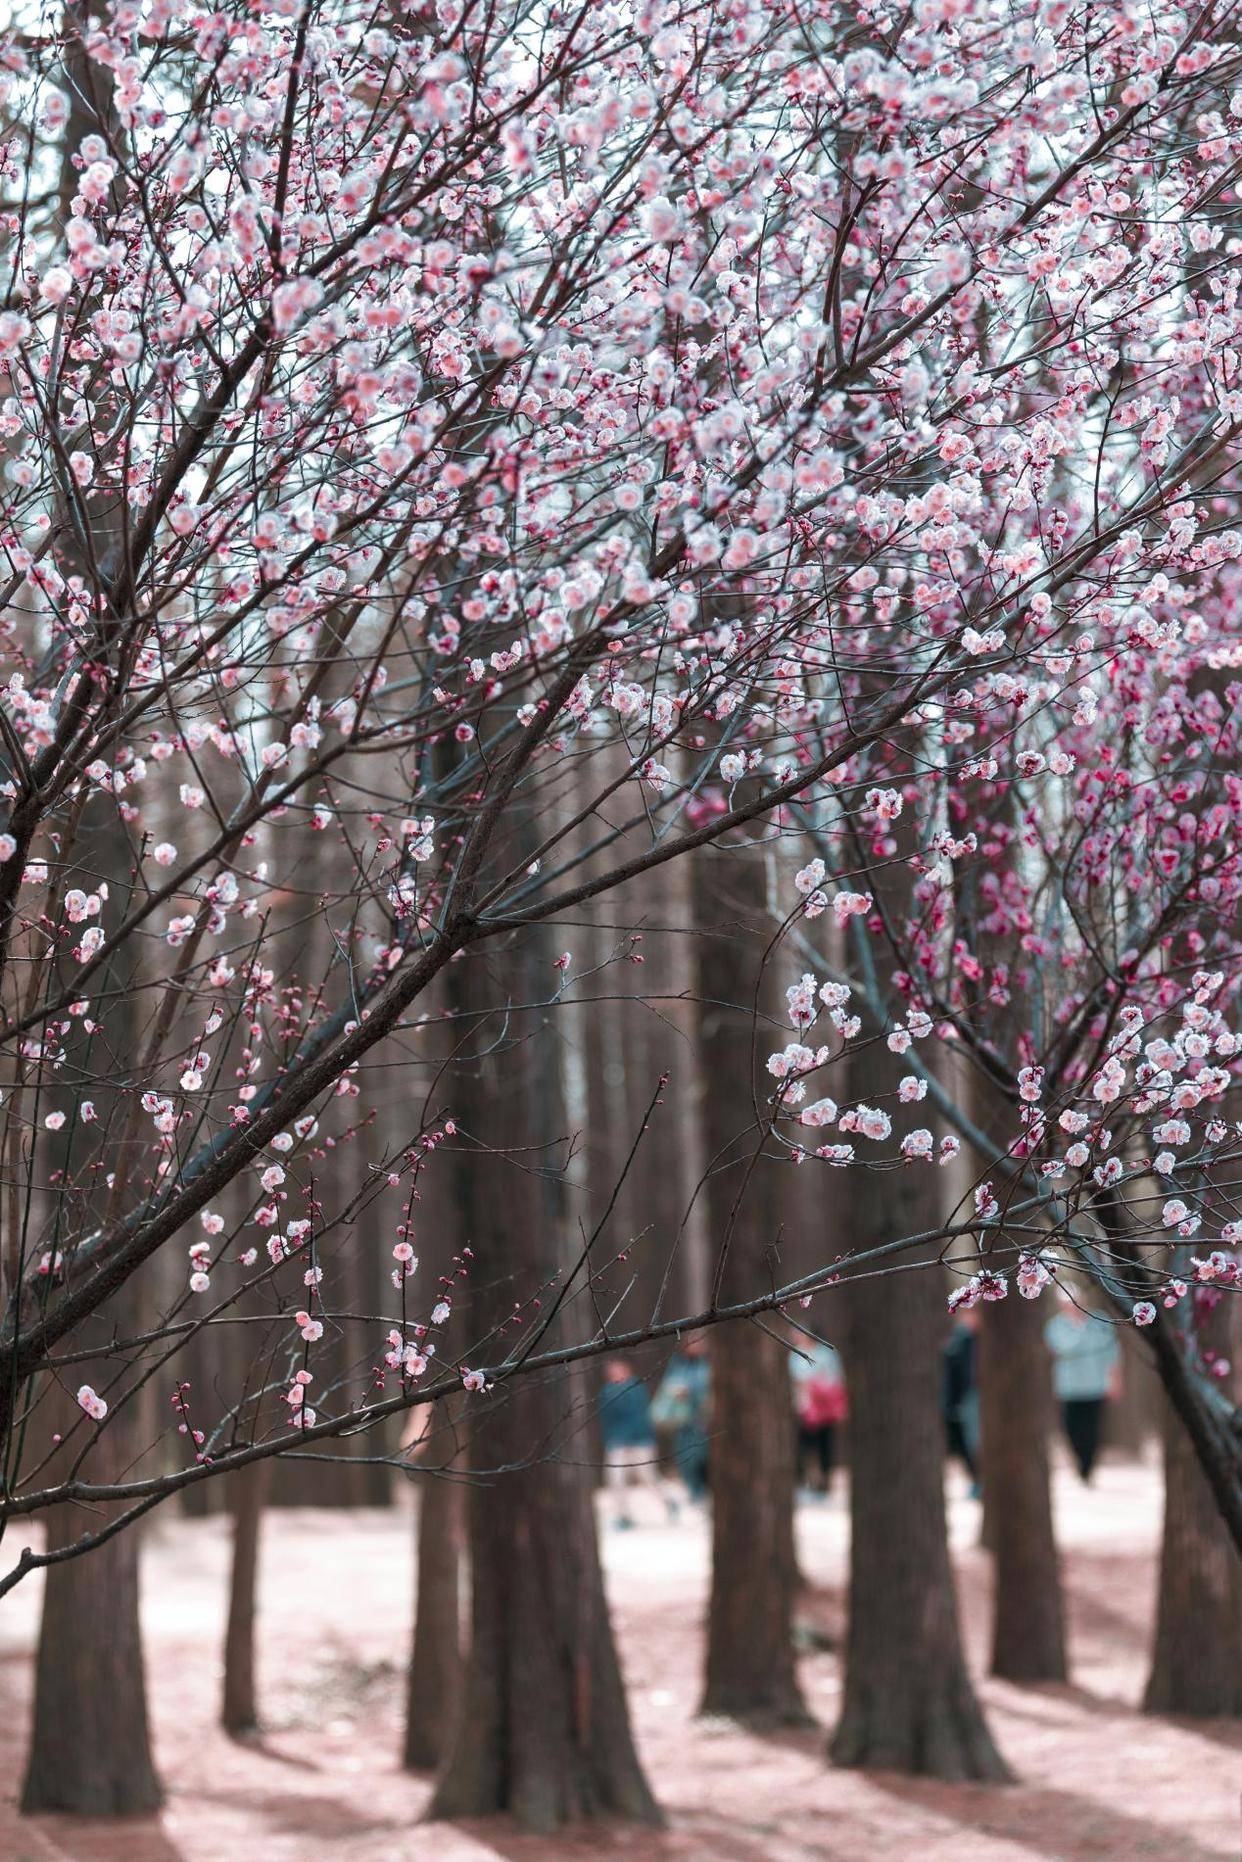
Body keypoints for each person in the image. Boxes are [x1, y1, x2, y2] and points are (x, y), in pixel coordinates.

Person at [1044, 1296, 1121, 1482]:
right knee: (1070, 1428)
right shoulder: (1056, 1326)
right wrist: (1081, 1330)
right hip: (1069, 1388)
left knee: (1092, 1429)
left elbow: (1112, 1352)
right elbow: (1062, 1347)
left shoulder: (1100, 1321)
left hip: (1095, 1385)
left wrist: (1115, 1380)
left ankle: (1088, 1467)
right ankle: (1080, 1461)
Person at [597, 1357, 661, 1528]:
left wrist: (633, 1438)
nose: (615, 1373)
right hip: (617, 1442)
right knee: (615, 1480)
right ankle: (623, 1515)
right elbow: (606, 1420)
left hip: (640, 1441)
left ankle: (668, 1502)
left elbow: (641, 1417)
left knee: (648, 1478)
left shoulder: (637, 1389)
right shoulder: (607, 1392)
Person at [651, 1334, 711, 1503]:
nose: (696, 1348)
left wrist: (693, 1394)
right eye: (693, 1345)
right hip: (682, 1423)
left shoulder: (707, 1366)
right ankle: (694, 1493)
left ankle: (703, 1492)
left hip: (703, 1423)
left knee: (703, 1459)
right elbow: (667, 1390)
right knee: (686, 1459)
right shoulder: (677, 1367)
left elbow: (709, 1392)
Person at [790, 1337, 847, 1496]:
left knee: (825, 1446)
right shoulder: (795, 1354)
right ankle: (808, 1480)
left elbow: (835, 1378)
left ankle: (823, 1481)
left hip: (824, 1410)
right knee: (806, 1446)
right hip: (804, 1409)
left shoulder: (826, 1354)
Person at [942, 1309, 981, 1496]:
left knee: (975, 1440)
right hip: (962, 1398)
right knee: (966, 1442)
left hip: (975, 1396)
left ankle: (980, 1480)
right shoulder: (958, 1340)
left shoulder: (981, 1340)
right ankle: (977, 1479)